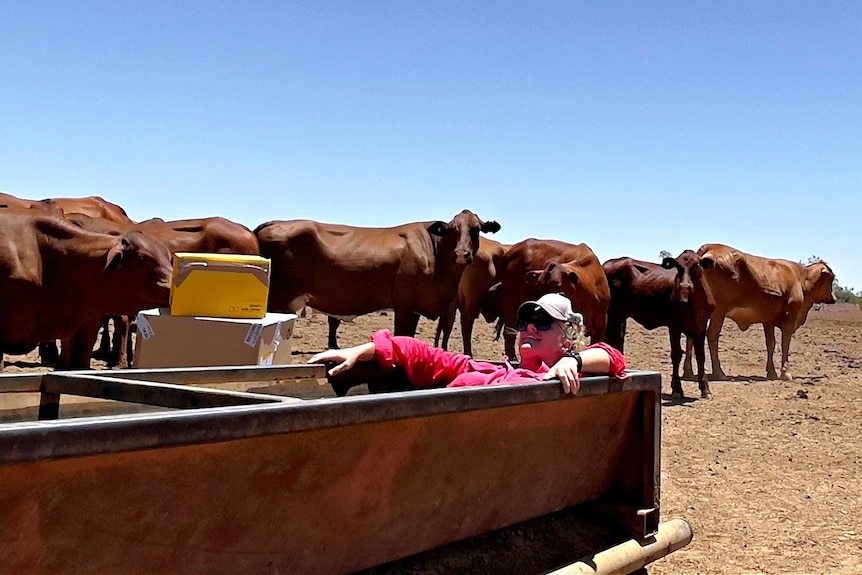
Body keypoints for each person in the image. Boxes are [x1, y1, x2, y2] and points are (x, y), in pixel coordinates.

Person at [309, 293, 627, 395]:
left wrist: (574, 361)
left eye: (543, 322)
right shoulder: (492, 369)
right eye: (525, 322)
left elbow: (614, 357)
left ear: (568, 338)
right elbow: (424, 353)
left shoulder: (567, 378)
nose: (529, 327)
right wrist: (360, 350)